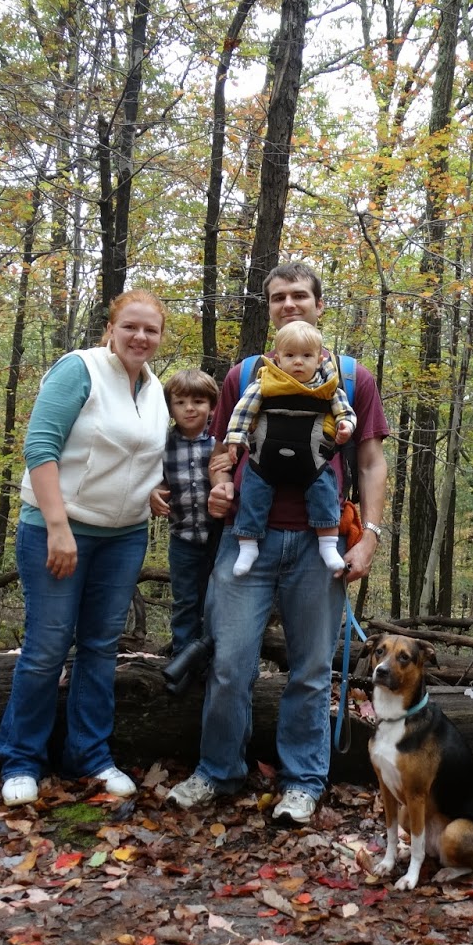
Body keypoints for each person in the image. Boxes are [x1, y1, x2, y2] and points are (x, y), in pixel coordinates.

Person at [167, 263, 389, 826]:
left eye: (299, 296)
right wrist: (220, 485)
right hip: (248, 538)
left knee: (312, 671)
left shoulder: (350, 378)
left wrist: (372, 538)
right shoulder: (245, 376)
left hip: (321, 548)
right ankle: (218, 771)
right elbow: (223, 449)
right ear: (268, 308)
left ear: (318, 303)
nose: (289, 304)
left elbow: (369, 460)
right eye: (277, 298)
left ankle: (303, 782)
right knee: (228, 665)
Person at [0, 289, 169, 807]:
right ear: (111, 328)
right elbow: (40, 446)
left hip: (124, 537)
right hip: (59, 530)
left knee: (99, 647)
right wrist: (57, 525)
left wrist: (153, 492)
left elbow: (136, 457)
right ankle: (21, 761)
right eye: (131, 326)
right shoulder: (80, 370)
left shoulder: (155, 388)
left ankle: (90, 755)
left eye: (151, 330)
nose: (140, 337)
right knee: (48, 647)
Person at [221, 320, 355, 578]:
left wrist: (346, 426)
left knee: (325, 490)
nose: (298, 362)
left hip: (312, 461)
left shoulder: (328, 387)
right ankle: (248, 544)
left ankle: (328, 545)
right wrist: (236, 438)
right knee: (253, 492)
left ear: (318, 359)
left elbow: (345, 412)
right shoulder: (265, 382)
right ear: (278, 358)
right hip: (265, 460)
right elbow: (243, 411)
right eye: (290, 355)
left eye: (306, 356)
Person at [151, 368, 219, 654]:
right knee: (184, 601)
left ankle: (211, 657)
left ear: (212, 406)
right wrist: (153, 492)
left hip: (219, 539)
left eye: (198, 402)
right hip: (183, 538)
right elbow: (155, 478)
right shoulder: (161, 443)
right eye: (180, 403)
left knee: (216, 600)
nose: (189, 409)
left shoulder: (221, 441)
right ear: (170, 408)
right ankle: (182, 658)